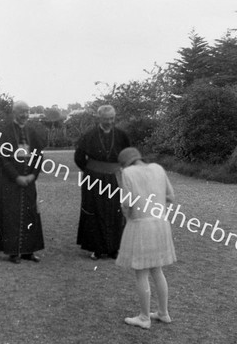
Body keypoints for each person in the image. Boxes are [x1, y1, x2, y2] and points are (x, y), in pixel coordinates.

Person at [116, 147, 177, 329]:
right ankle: (163, 312)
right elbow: (171, 197)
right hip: (160, 223)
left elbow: (127, 204)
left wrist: (129, 213)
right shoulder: (158, 168)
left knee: (141, 272)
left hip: (141, 224)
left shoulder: (127, 173)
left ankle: (144, 317)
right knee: (157, 270)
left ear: (124, 163)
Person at [0, 101, 45, 264]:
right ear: (14, 113)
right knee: (11, 215)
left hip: (29, 180)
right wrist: (16, 177)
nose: (25, 115)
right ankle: (13, 252)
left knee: (30, 213)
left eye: (27, 112)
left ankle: (28, 251)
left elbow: (39, 156)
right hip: (9, 181)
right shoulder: (4, 132)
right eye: (22, 112)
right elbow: (2, 158)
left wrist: (33, 175)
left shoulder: (31, 131)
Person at [74, 105, 130, 260]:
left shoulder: (122, 135)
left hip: (115, 177)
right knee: (94, 212)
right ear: (99, 118)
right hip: (93, 178)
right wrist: (91, 171)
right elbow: (79, 157)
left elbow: (128, 155)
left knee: (115, 212)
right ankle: (96, 248)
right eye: (106, 119)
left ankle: (114, 248)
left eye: (112, 118)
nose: (109, 122)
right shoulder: (89, 135)